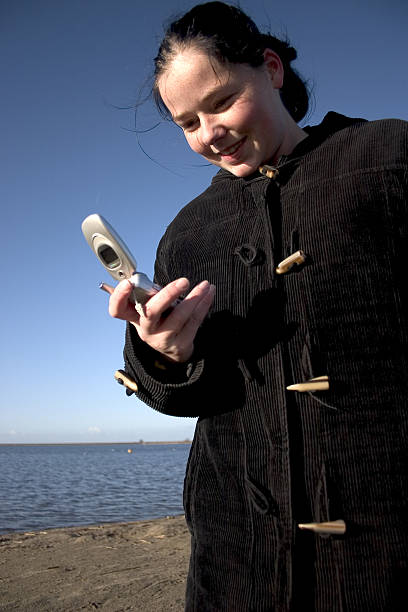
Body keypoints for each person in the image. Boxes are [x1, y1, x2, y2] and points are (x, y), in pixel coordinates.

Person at [107, 2, 408, 610]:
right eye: (187, 123)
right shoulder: (188, 232)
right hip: (233, 557)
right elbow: (189, 397)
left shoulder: (390, 158)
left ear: (269, 69)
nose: (207, 134)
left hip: (384, 546)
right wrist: (161, 354)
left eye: (220, 103)